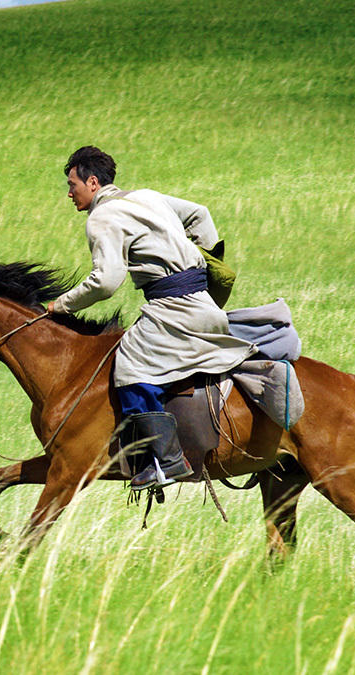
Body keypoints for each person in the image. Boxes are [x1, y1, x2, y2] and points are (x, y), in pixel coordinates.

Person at [46, 146, 256, 490]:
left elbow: (107, 280)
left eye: (72, 185)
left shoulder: (101, 218)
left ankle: (165, 460)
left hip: (173, 308)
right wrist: (200, 259)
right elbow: (200, 215)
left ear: (93, 182)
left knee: (129, 363)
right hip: (203, 302)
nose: (69, 193)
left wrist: (62, 305)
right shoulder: (147, 196)